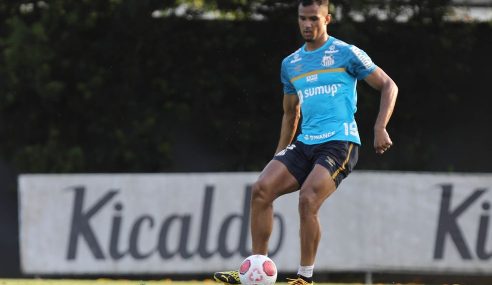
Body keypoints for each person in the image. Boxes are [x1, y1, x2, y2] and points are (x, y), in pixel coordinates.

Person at [214, 0, 398, 284]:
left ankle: (305, 278)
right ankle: (254, 269)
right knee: (262, 189)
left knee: (308, 197)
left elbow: (388, 84)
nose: (307, 24)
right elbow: (290, 114)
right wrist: (279, 156)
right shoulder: (291, 64)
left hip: (340, 142)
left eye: (314, 18)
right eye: (303, 18)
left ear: (327, 19)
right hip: (305, 143)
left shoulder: (346, 53)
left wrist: (380, 126)